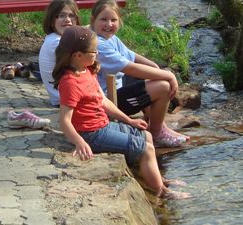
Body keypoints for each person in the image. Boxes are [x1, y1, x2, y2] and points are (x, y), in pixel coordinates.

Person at [53, 25, 188, 199]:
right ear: (78, 56)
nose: (97, 55)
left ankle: (159, 180)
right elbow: (64, 120)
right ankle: (161, 192)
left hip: (102, 125)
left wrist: (129, 121)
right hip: (91, 134)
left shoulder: (86, 71)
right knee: (145, 148)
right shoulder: (70, 83)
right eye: (94, 52)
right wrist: (79, 142)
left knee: (145, 135)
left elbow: (103, 101)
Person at [89, 0, 188, 148]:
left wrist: (155, 68)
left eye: (113, 20)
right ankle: (156, 134)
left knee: (151, 74)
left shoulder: (110, 38)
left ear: (119, 21)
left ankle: (160, 126)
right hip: (107, 103)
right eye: (103, 19)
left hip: (114, 91)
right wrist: (168, 75)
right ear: (93, 20)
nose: (109, 24)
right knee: (163, 86)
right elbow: (131, 68)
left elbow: (132, 56)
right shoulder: (98, 44)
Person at [38, 0, 81, 106]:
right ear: (52, 21)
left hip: (69, 96)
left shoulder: (55, 38)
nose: (67, 20)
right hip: (67, 99)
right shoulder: (56, 42)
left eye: (71, 16)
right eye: (61, 16)